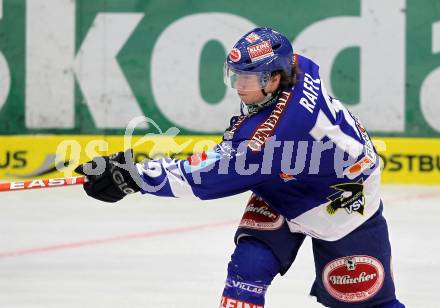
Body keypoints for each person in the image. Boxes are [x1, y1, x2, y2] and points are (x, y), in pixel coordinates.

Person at [75, 27, 405, 307]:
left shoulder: (273, 138)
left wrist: (133, 175)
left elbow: (202, 179)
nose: (239, 87)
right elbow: (237, 155)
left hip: (344, 204)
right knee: (248, 267)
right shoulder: (298, 68)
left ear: (276, 78)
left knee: (366, 298)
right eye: (236, 76)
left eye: (250, 78)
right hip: (285, 183)